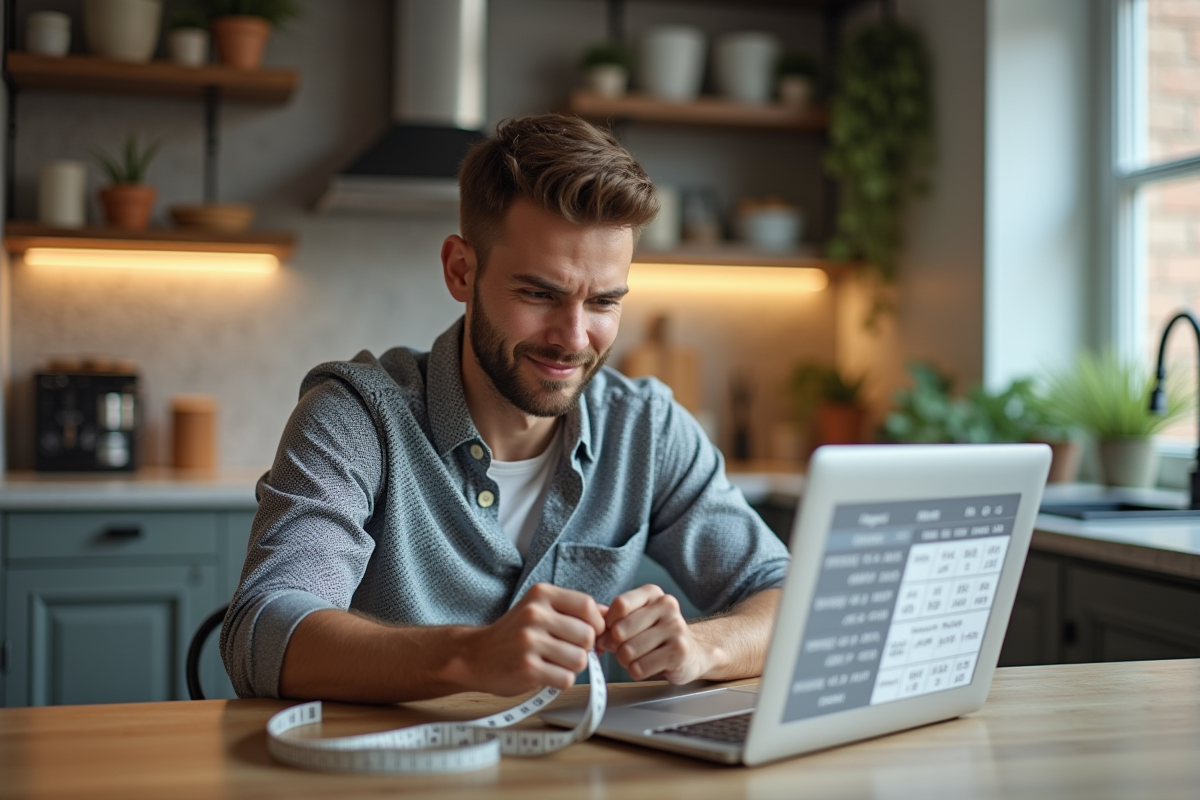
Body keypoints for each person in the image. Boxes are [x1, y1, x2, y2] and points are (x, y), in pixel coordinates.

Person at [221, 114, 790, 703]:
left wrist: (707, 647)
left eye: (603, 302)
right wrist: (468, 655)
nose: (573, 337)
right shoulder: (355, 419)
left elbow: (788, 593)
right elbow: (263, 631)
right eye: (539, 294)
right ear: (461, 271)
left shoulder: (645, 429)